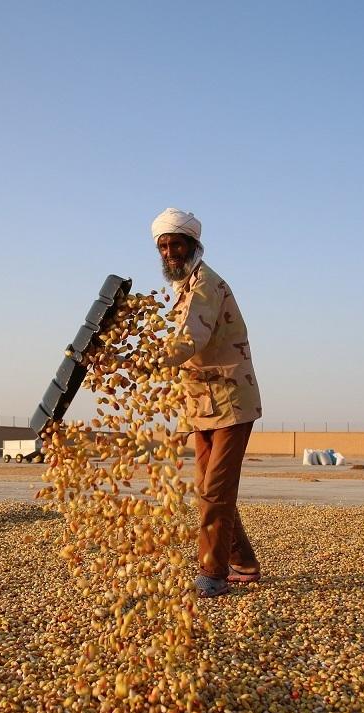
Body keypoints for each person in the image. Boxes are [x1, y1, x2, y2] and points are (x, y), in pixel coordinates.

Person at [152, 208, 262, 598]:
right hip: (202, 404)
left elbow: (189, 341)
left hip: (231, 399)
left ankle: (212, 572)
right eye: (163, 246)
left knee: (215, 488)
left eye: (176, 244)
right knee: (208, 487)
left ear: (193, 245)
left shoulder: (203, 286)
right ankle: (243, 563)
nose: (169, 253)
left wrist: (145, 358)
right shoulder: (184, 288)